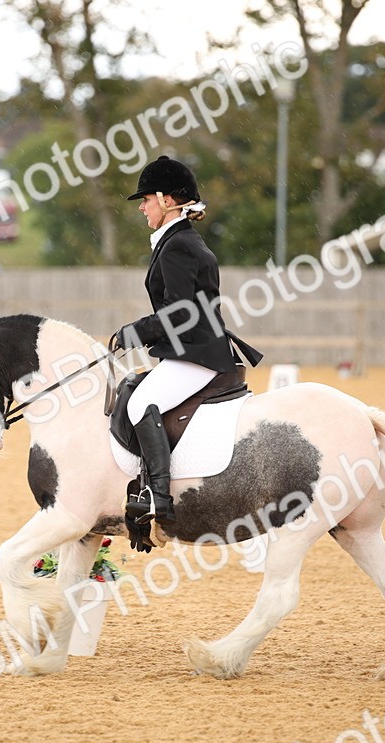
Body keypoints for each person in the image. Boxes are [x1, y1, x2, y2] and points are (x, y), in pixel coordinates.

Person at [112, 155, 263, 524]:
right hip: (193, 350)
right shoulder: (178, 240)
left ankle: (157, 497)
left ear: (166, 200)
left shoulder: (178, 245)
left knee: (139, 403)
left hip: (196, 355)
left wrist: (134, 333)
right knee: (134, 389)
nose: (142, 208)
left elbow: (180, 312)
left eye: (146, 200)